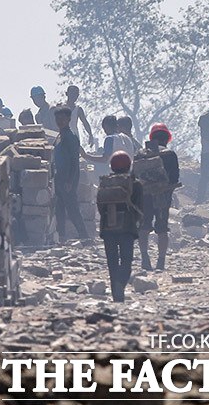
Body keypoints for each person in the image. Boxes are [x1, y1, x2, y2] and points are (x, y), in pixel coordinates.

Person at [97, 151, 143, 302]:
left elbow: (100, 207)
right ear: (129, 165)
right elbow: (139, 207)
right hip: (127, 227)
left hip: (107, 228)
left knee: (112, 261)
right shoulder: (135, 184)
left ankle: (116, 295)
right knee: (126, 260)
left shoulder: (104, 183)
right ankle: (120, 285)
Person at [137, 123, 180, 271]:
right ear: (167, 138)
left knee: (143, 228)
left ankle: (145, 259)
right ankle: (161, 262)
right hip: (162, 196)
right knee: (162, 229)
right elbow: (174, 178)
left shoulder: (141, 154)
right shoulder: (170, 154)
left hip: (144, 196)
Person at [52, 106, 89, 243]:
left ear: (69, 119)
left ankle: (84, 235)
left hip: (68, 178)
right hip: (59, 177)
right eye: (57, 118)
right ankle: (61, 236)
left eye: (62, 118)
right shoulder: (59, 136)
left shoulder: (70, 137)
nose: (60, 121)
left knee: (72, 208)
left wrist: (70, 181)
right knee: (59, 208)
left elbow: (74, 161)